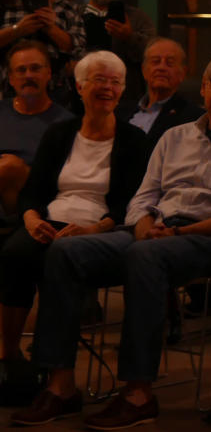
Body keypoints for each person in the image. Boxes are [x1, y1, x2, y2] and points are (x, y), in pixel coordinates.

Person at [11, 52, 211, 429]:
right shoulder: (175, 136)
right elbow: (143, 194)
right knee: (66, 250)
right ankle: (60, 386)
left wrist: (176, 233)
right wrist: (143, 224)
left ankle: (138, 394)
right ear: (203, 87)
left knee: (146, 257)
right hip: (153, 230)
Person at [0, 52, 147, 363]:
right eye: (99, 80)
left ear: (121, 91)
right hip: (50, 221)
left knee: (58, 257)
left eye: (115, 82)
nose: (107, 88)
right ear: (80, 87)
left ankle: (51, 365)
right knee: (15, 253)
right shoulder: (60, 133)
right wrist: (30, 219)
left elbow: (131, 203)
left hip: (100, 230)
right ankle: (9, 355)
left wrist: (95, 229)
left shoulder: (134, 140)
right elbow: (34, 190)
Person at [0, 42, 73, 218]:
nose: (28, 76)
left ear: (48, 74)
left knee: (9, 166)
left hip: (34, 202)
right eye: (21, 70)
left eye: (35, 68)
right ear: (10, 78)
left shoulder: (66, 123)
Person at [78, 0, 155, 100]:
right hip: (81, 97)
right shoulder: (75, 16)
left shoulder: (137, 17)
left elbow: (153, 54)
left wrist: (130, 37)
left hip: (127, 98)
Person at [118, 37, 202, 156]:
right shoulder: (120, 112)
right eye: (155, 61)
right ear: (144, 70)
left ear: (182, 73)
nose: (161, 68)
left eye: (170, 63)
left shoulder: (194, 119)